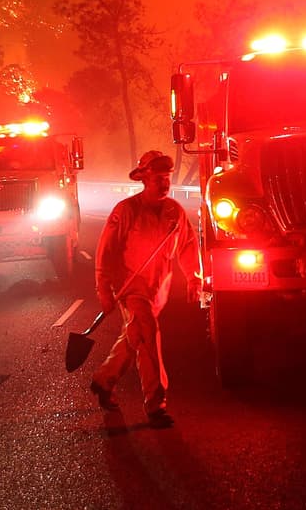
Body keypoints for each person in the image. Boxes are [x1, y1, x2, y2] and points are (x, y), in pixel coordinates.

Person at [90, 150, 200, 428]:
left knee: (136, 336)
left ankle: (104, 380)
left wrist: (194, 278)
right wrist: (104, 289)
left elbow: (188, 246)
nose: (164, 183)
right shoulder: (125, 211)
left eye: (166, 178)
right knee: (149, 333)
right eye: (158, 178)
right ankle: (156, 404)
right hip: (131, 287)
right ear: (143, 179)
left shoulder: (174, 212)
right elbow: (106, 252)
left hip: (157, 290)